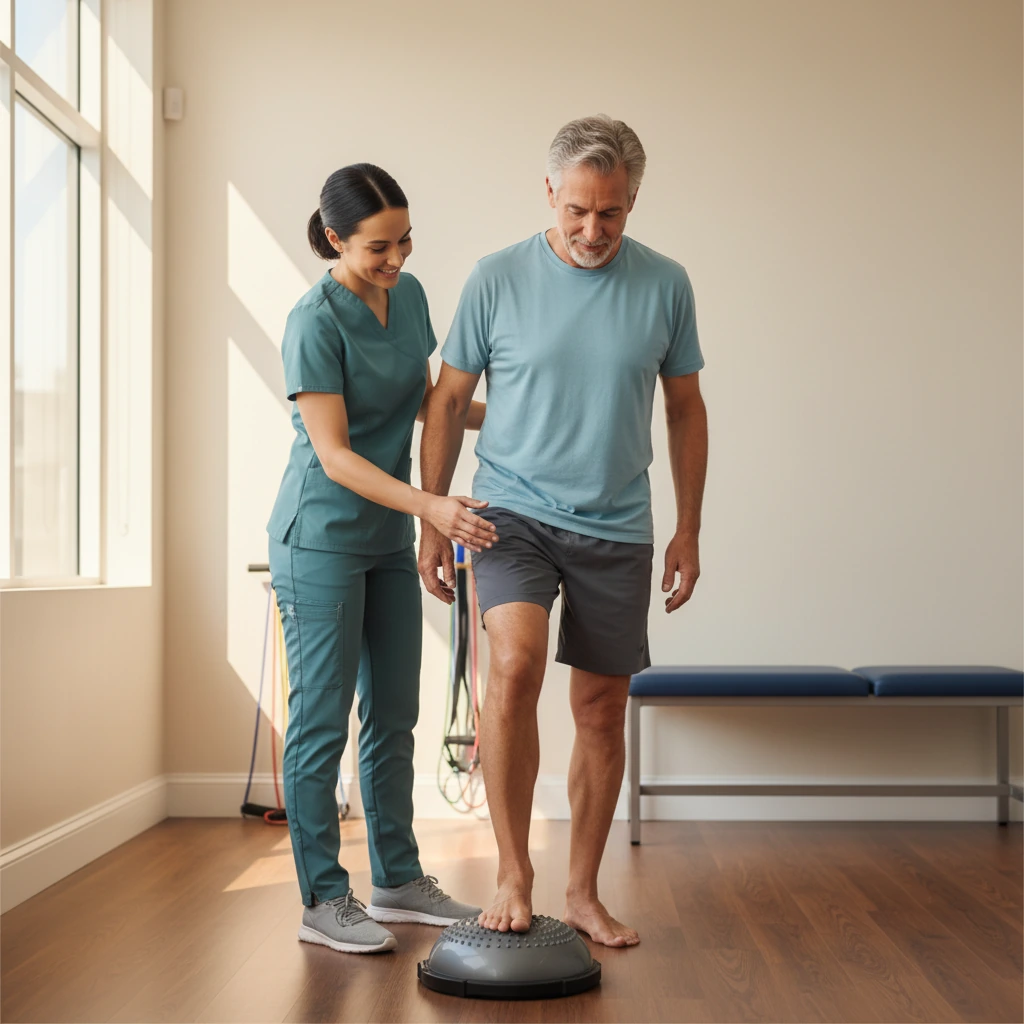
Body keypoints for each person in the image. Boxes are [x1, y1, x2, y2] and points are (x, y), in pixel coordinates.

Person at [418, 116, 708, 949]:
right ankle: (514, 872)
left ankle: (581, 891)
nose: (592, 231)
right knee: (513, 664)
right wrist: (434, 519)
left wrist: (689, 529)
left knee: (600, 707)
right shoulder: (497, 277)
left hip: (618, 522)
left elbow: (685, 407)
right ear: (550, 193)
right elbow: (445, 401)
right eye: (577, 209)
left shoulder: (666, 284)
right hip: (511, 509)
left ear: (633, 202)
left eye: (611, 214)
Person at [267, 163, 497, 955]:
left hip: (387, 538)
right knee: (322, 724)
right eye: (377, 247)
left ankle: (397, 879)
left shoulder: (412, 298)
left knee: (394, 712)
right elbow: (333, 455)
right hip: (321, 540)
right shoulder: (313, 320)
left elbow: (439, 403)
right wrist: (433, 506)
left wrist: (522, 421)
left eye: (404, 241)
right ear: (334, 239)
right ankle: (322, 898)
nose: (396, 259)